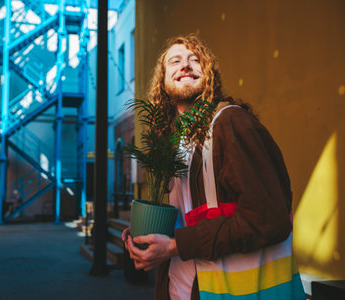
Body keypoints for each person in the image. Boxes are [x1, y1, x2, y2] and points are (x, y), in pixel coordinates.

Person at [122, 35, 305, 299]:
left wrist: (175, 246)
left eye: (194, 60)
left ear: (209, 75)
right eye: (175, 61)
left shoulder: (231, 124)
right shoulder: (177, 141)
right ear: (162, 81)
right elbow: (189, 217)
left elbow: (268, 219)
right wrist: (148, 239)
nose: (185, 65)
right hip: (181, 288)